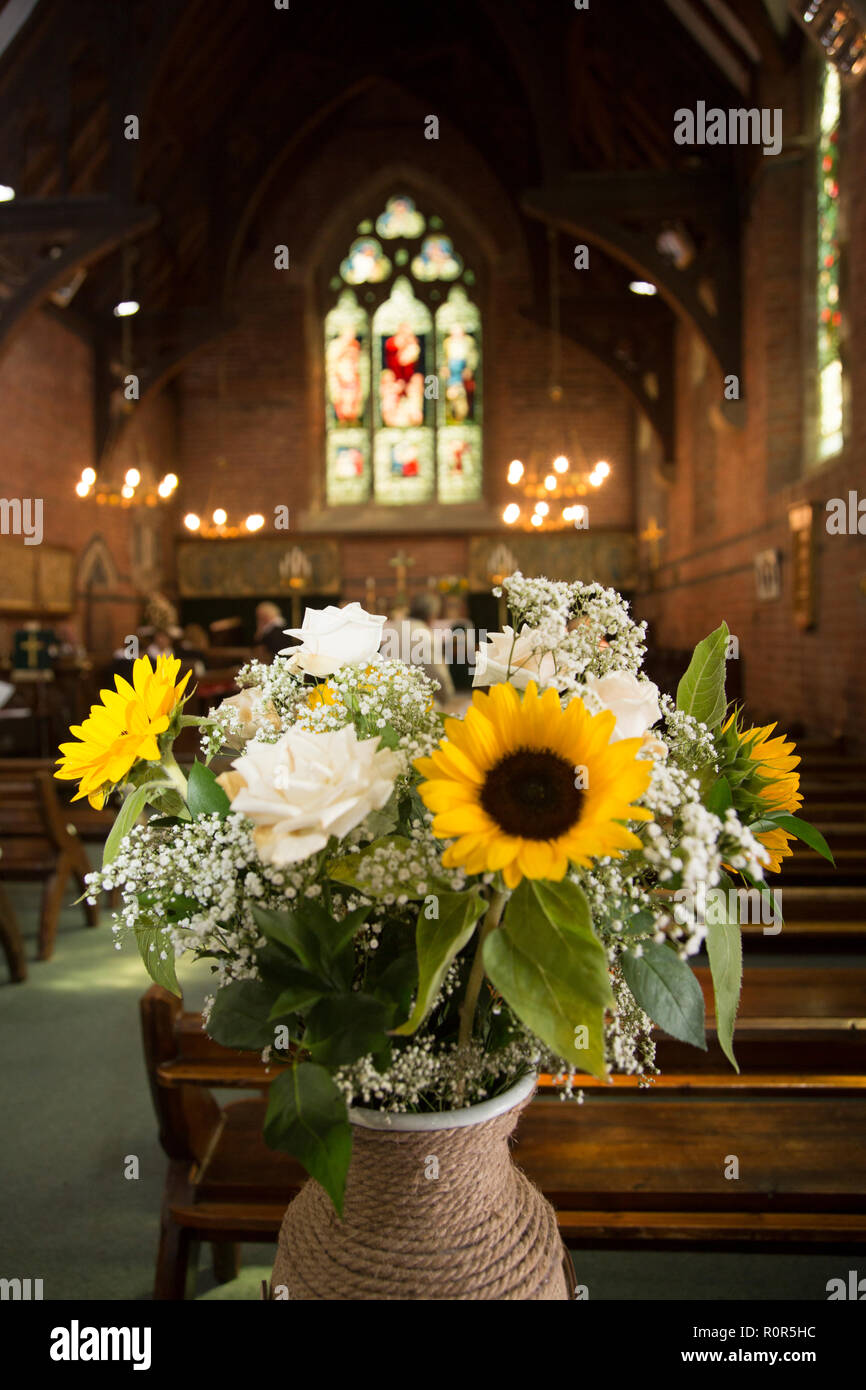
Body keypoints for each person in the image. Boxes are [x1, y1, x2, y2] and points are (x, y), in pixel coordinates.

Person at [405, 593, 455, 705]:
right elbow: (437, 673)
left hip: (394, 696)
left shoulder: (397, 627)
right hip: (421, 702)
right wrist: (448, 697)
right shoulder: (426, 635)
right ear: (431, 614)